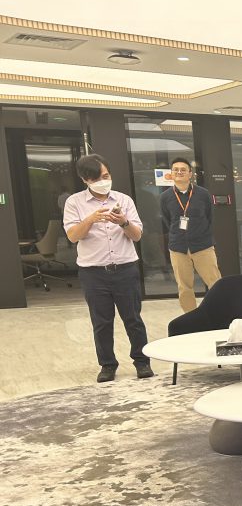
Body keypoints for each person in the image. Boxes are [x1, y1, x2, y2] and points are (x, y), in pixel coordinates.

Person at [63, 154, 153, 383]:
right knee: (102, 322)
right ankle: (107, 365)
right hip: (93, 273)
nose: (104, 181)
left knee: (133, 319)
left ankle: (142, 362)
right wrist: (90, 219)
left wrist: (123, 222)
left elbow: (137, 235)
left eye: (106, 175)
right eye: (97, 178)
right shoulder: (74, 202)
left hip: (125, 268)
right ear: (85, 179)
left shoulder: (124, 200)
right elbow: (73, 236)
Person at [159, 157, 221, 312]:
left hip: (203, 246)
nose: (179, 172)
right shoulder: (165, 197)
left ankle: (220, 313)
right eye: (176, 170)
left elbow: (210, 217)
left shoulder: (203, 194)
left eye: (183, 170)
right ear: (171, 173)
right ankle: (190, 317)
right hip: (178, 248)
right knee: (184, 286)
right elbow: (168, 220)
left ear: (190, 174)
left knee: (215, 283)